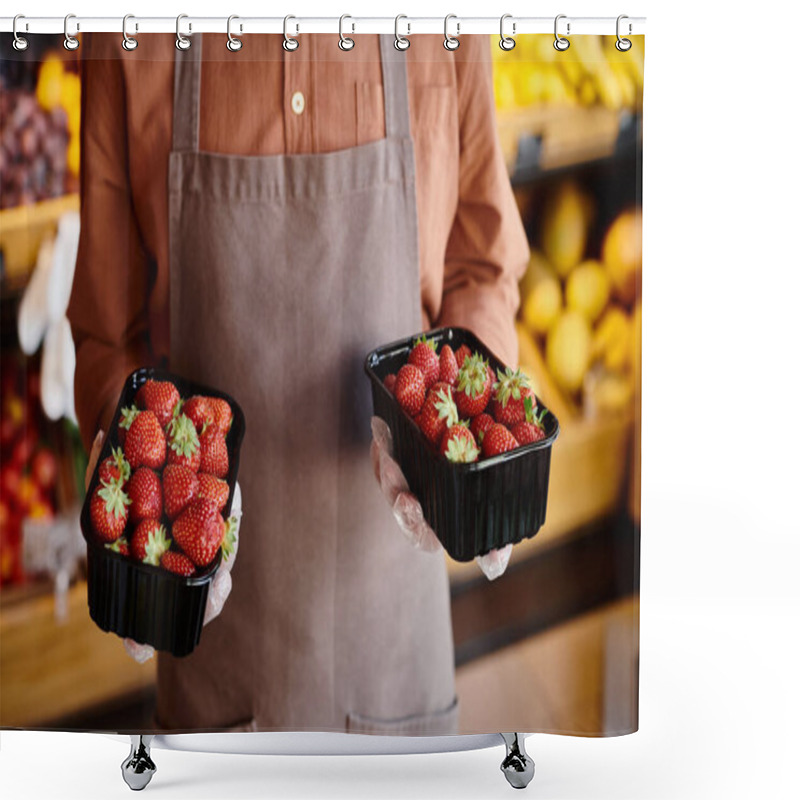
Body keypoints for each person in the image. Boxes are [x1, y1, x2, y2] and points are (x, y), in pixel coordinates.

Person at [69, 32, 528, 735]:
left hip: (396, 633)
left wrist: (480, 452)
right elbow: (107, 331)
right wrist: (138, 522)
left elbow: (480, 268)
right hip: (211, 627)